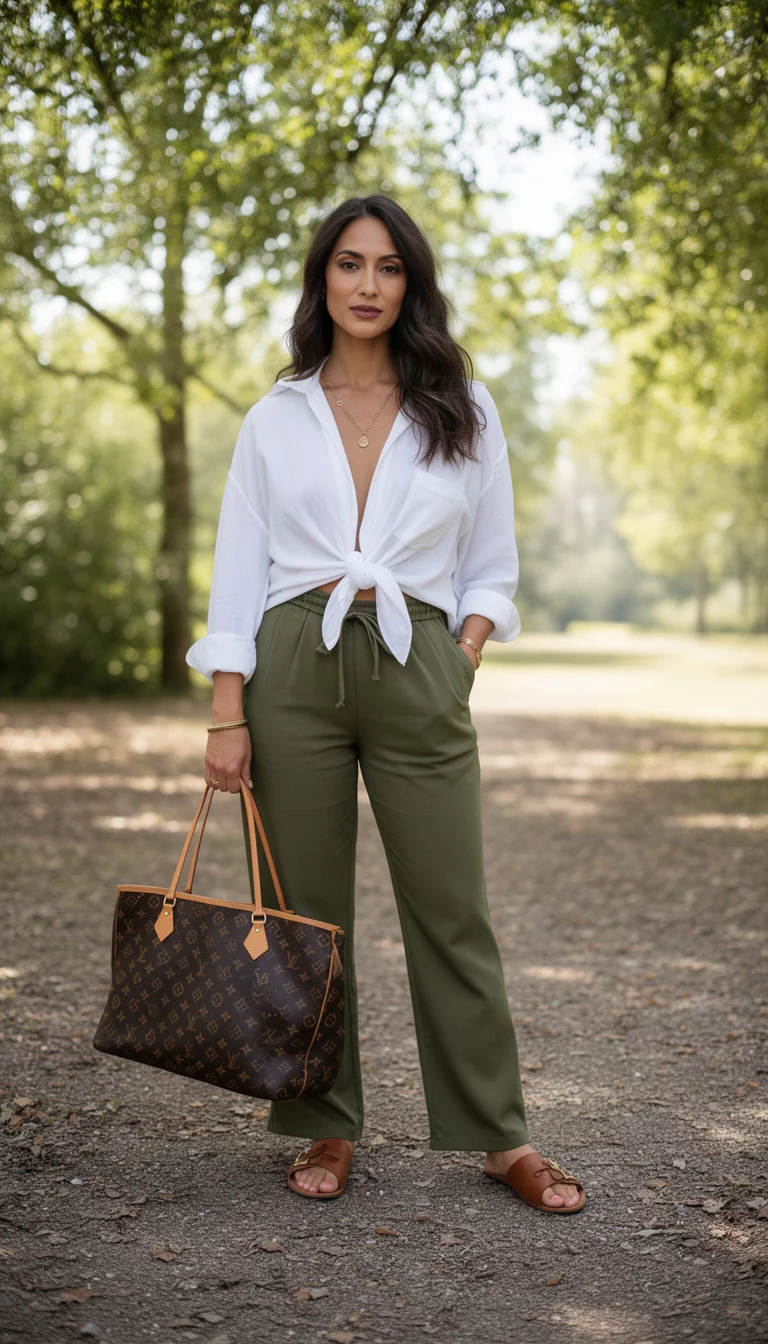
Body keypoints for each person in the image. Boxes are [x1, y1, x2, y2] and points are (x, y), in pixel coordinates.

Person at [186, 194, 586, 1214]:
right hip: (293, 665)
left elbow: (492, 562)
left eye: (390, 267)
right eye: (350, 265)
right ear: (323, 279)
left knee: (452, 911)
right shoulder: (275, 417)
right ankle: (323, 1125)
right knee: (303, 914)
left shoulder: (466, 405)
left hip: (420, 662)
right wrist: (226, 709)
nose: (369, 285)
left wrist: (462, 658)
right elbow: (237, 568)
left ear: (413, 283)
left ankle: (500, 1136)